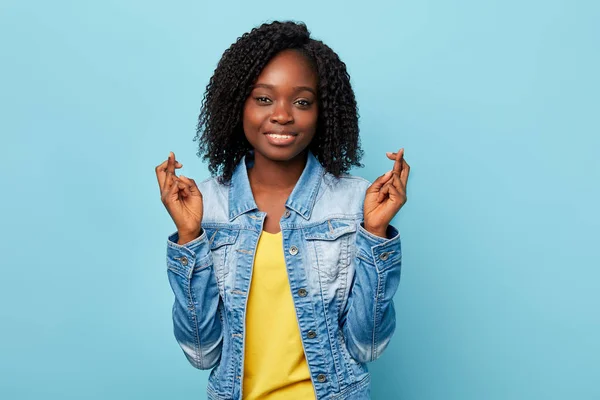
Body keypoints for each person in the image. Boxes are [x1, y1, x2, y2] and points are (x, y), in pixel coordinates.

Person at [155, 20, 410, 400]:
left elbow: (367, 347)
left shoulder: (356, 202)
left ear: (323, 112)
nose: (283, 115)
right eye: (263, 98)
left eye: (302, 101)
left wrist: (374, 235)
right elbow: (201, 352)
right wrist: (190, 238)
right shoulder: (205, 206)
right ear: (236, 104)